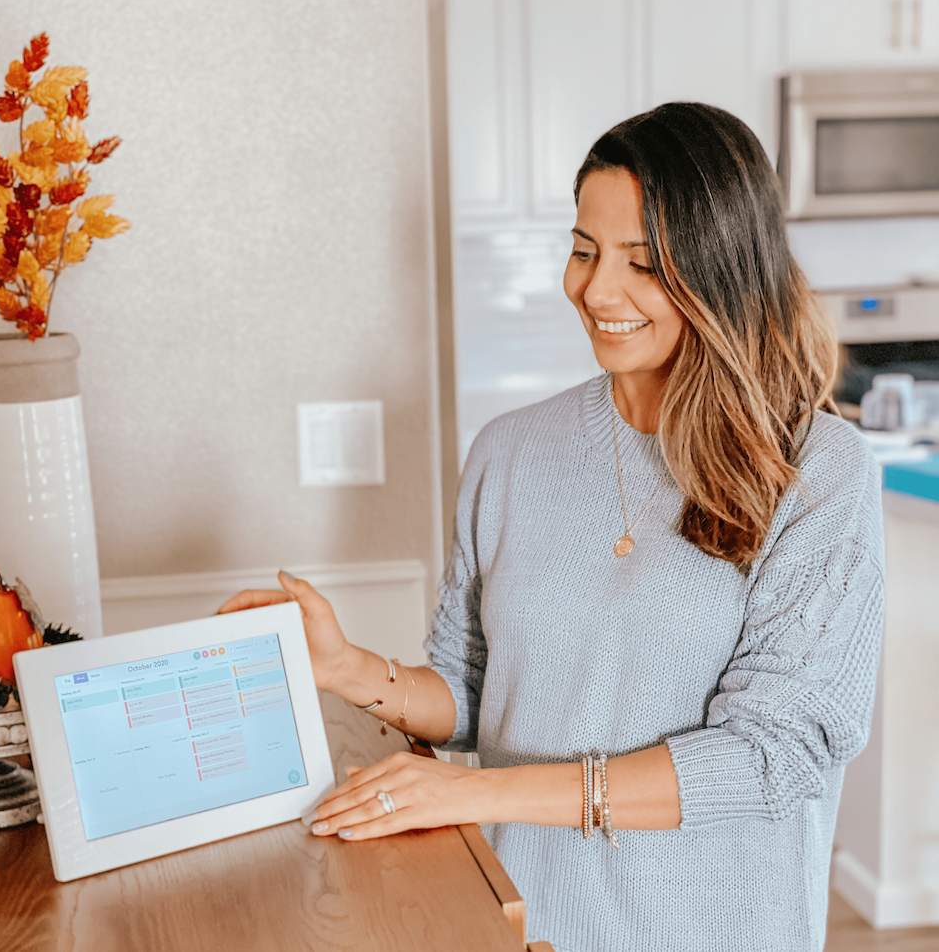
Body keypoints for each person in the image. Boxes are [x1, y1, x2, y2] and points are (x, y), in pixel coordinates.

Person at [220, 102, 884, 952]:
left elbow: (769, 759)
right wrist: (350, 668)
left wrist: (475, 796)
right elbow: (472, 694)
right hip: (517, 925)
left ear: (723, 272)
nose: (596, 290)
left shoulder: (816, 471)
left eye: (643, 265)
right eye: (583, 250)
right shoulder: (509, 452)